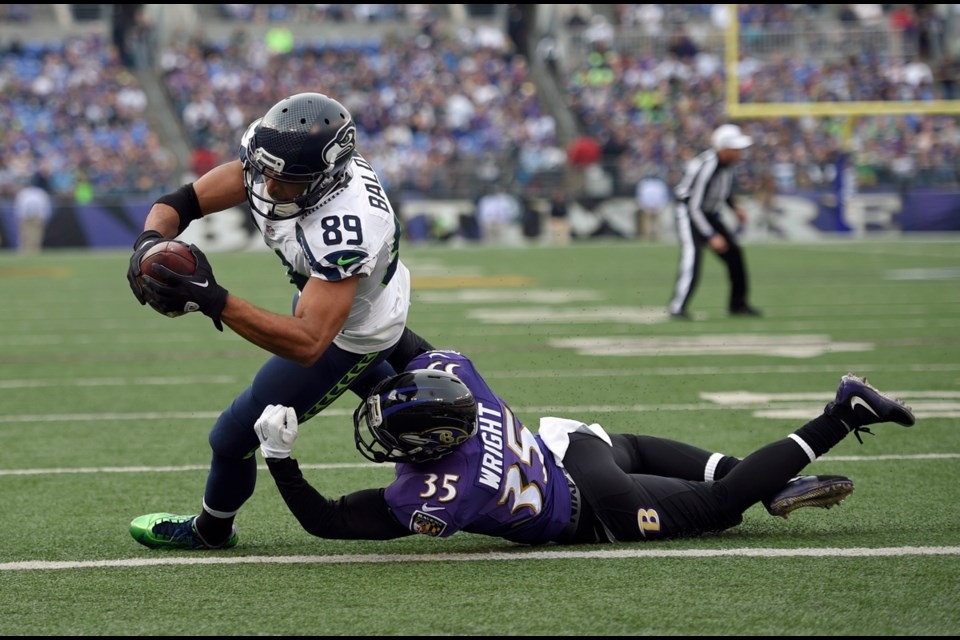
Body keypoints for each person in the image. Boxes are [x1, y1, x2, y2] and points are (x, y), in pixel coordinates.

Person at [137, 349, 915, 547]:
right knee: (627, 442)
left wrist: (280, 459)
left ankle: (840, 416)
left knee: (720, 507)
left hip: (592, 507)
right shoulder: (457, 381)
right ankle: (760, 476)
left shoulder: (438, 496)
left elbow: (327, 524)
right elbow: (402, 343)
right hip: (570, 445)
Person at [126, 92, 435, 550]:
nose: (269, 187)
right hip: (348, 304)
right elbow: (185, 200)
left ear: (323, 178)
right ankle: (457, 449)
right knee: (408, 407)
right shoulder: (278, 159)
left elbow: (310, 342)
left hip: (353, 333)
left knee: (232, 437)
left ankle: (211, 531)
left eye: (284, 181)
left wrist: (214, 299)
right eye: (264, 172)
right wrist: (149, 242)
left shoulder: (344, 226)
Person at [668, 124, 761, 320]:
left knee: (734, 254)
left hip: (708, 212)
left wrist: (734, 208)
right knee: (692, 257)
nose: (739, 152)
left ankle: (738, 305)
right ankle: (677, 307)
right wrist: (710, 235)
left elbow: (722, 192)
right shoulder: (707, 166)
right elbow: (694, 206)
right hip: (688, 213)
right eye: (735, 148)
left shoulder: (727, 166)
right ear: (723, 149)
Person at [13, 173, 53, 254]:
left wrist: (19, 217)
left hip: (27, 217)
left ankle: (26, 251)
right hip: (36, 217)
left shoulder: (24, 192)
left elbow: (19, 206)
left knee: (27, 235)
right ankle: (34, 251)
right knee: (36, 235)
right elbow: (45, 206)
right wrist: (44, 217)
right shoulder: (40, 193)